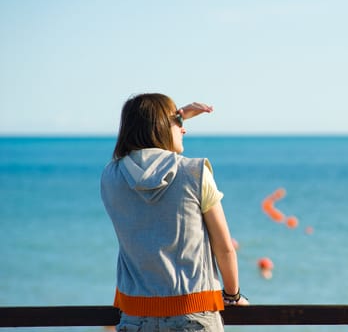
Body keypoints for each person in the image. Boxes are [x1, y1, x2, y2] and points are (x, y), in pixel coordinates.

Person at [100, 93, 248, 332]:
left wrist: (171, 118)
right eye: (179, 121)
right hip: (194, 315)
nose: (184, 129)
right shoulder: (195, 172)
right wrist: (232, 296)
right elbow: (224, 246)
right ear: (161, 126)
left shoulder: (110, 177)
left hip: (136, 316)